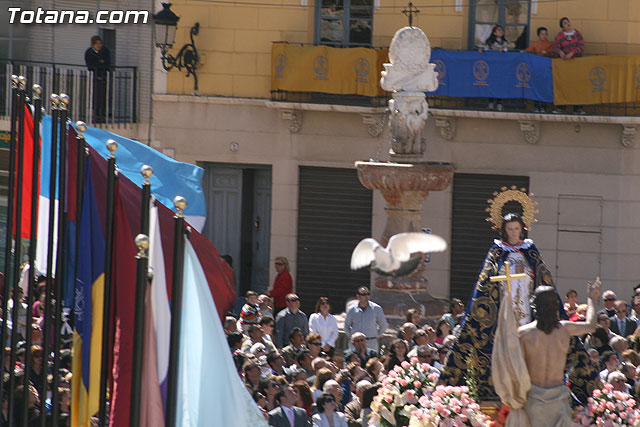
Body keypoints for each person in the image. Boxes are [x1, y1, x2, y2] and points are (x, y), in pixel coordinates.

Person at [440, 211, 599, 403]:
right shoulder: (497, 251)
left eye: (516, 229)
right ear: (504, 231)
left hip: (526, 303)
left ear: (522, 229)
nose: (514, 233)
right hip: (503, 304)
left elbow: (543, 278)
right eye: (510, 229)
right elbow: (484, 283)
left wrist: (527, 276)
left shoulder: (530, 250)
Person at [518, 278, 601, 426]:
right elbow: (591, 326)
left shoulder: (523, 333)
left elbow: (516, 369)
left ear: (534, 306)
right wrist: (592, 299)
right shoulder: (565, 329)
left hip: (539, 398)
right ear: (556, 306)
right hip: (550, 398)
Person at [552, 17, 586, 115]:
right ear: (562, 26)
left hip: (576, 64)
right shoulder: (560, 36)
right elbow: (555, 46)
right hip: (564, 65)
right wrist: (560, 52)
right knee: (563, 85)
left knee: (577, 85)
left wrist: (572, 53)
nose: (567, 24)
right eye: (564, 23)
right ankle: (561, 108)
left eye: (568, 22)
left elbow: (581, 46)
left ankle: (578, 108)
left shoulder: (577, 34)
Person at [344, 287, 388, 352]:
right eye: (363, 294)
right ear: (358, 296)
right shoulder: (351, 309)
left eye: (368, 294)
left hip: (371, 343)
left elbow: (383, 325)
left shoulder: (376, 309)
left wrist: (375, 336)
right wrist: (353, 337)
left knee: (371, 362)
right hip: (355, 343)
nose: (366, 296)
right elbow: (346, 326)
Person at [478, 25, 508, 111]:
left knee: (500, 85)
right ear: (494, 33)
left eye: (501, 30)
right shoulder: (489, 42)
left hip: (502, 67)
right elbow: (485, 49)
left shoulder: (505, 42)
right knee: (491, 84)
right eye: (498, 30)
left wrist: (503, 50)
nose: (501, 32)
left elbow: (507, 50)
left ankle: (499, 103)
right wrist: (481, 50)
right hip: (491, 67)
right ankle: (490, 103)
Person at [84, 35, 111, 122]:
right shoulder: (89, 52)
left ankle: (102, 114)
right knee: (95, 96)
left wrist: (101, 64)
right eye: (97, 44)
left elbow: (107, 63)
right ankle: (95, 114)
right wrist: (99, 63)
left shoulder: (105, 51)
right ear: (93, 44)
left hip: (103, 76)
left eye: (100, 43)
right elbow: (91, 64)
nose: (99, 46)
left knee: (103, 96)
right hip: (94, 77)